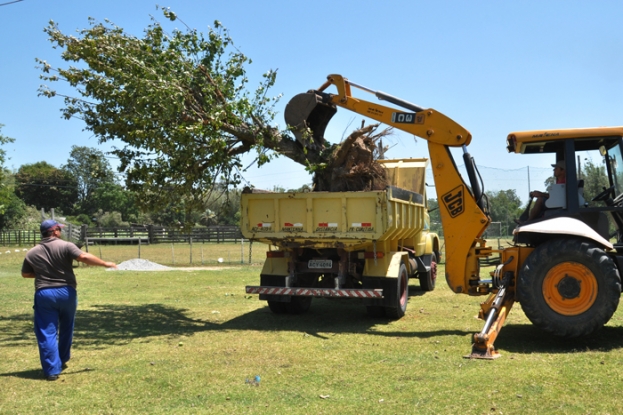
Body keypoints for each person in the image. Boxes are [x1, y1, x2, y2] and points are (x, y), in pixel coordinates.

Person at [21, 219, 117, 381]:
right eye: (59, 229)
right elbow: (83, 256)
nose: (61, 231)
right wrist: (104, 263)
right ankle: (63, 358)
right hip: (67, 292)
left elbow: (25, 274)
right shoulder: (66, 245)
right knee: (67, 326)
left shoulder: (32, 252)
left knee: (47, 331)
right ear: (55, 231)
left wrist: (45, 274)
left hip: (44, 293)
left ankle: (52, 370)